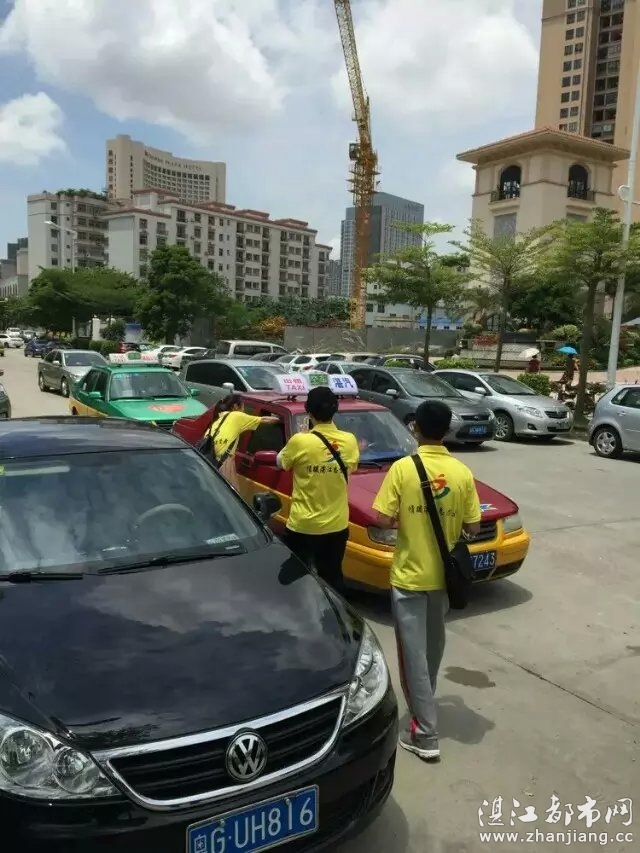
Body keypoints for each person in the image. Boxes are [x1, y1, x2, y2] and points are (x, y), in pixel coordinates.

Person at [372, 400, 481, 762]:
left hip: (409, 577)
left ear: (415, 427)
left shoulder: (402, 469)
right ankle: (425, 707)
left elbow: (382, 518)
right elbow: (473, 526)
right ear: (447, 430)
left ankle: (425, 732)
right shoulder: (461, 472)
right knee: (432, 650)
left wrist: (409, 519)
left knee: (413, 658)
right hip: (443, 580)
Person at [276, 386, 359, 589]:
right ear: (335, 409)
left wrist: (304, 435)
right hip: (336, 526)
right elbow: (351, 468)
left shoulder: (300, 441)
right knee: (332, 579)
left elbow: (281, 462)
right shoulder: (349, 440)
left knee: (296, 580)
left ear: (308, 410)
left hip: (303, 526)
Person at [205, 394, 279, 490]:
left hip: (207, 461)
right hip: (222, 463)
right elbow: (265, 420)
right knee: (231, 495)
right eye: (243, 406)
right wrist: (280, 419)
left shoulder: (219, 418)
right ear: (236, 406)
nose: (243, 410)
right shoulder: (236, 415)